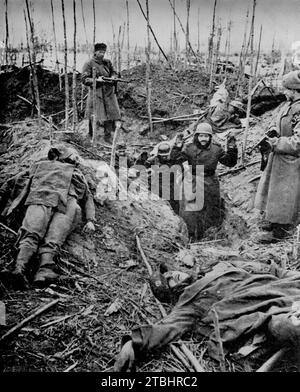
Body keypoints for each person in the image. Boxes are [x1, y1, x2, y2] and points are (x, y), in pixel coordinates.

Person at [114, 259, 300, 372]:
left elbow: (267, 269)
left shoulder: (217, 267)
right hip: (266, 309)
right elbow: (169, 327)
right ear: (171, 293)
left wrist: (291, 275)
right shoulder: (189, 302)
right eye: (168, 280)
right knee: (286, 328)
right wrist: (132, 343)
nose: (173, 274)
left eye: (169, 272)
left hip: (285, 286)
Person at [0, 144, 95, 288]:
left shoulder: (78, 174)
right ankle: (18, 269)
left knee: (55, 237)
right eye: (73, 155)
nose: (76, 159)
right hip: (42, 196)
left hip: (67, 203)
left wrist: (90, 220)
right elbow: (13, 181)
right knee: (31, 231)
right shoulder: (41, 165)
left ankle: (44, 271)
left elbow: (88, 197)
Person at [170, 122, 238, 239]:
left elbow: (230, 163)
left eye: (206, 136)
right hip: (193, 180)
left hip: (210, 181)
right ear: (196, 136)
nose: (203, 139)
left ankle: (211, 235)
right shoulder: (189, 148)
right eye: (201, 136)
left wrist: (232, 148)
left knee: (211, 209)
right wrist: (177, 147)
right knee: (190, 210)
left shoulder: (216, 149)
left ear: (210, 137)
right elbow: (175, 160)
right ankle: (191, 235)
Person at [255, 70, 300, 243]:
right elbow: (278, 123)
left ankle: (281, 232)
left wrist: (276, 143)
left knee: (286, 197)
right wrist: (273, 131)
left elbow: (298, 142)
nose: (284, 92)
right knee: (275, 194)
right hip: (280, 158)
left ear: (295, 91)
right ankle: (274, 222)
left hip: (292, 161)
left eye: (287, 89)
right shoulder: (288, 105)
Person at [82, 42, 121, 144]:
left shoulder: (107, 62)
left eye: (103, 52)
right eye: (100, 52)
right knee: (93, 114)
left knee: (110, 114)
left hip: (108, 93)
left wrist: (113, 77)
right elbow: (84, 79)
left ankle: (107, 136)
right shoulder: (89, 63)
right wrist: (96, 80)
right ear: (95, 52)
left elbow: (114, 72)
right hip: (96, 93)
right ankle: (91, 135)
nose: (102, 54)